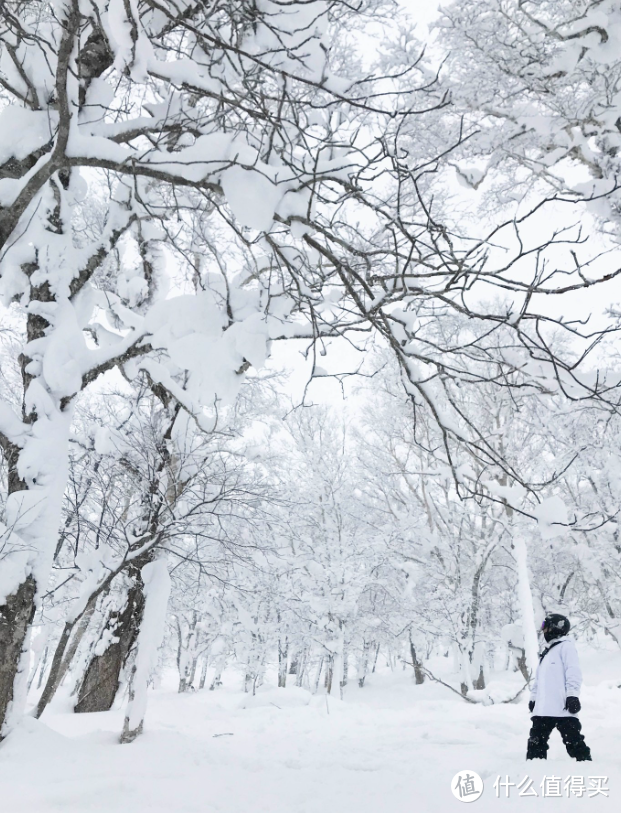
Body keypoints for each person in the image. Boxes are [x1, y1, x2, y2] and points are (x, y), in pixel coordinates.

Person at [526, 613, 592, 761]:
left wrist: (572, 695)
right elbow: (539, 680)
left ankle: (586, 768)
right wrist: (533, 698)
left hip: (563, 708)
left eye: (546, 627)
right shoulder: (547, 652)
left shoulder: (566, 647)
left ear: (556, 628)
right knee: (535, 744)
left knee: (574, 743)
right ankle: (534, 771)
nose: (543, 631)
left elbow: (573, 672)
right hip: (542, 710)